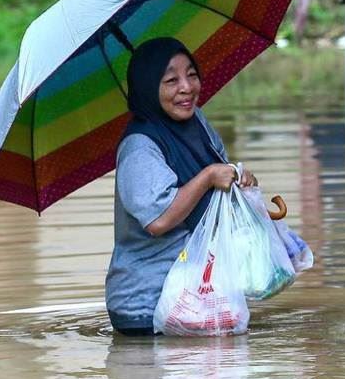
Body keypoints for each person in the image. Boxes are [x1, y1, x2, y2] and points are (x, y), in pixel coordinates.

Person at [106, 37, 257, 335]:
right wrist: (208, 177)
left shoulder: (196, 122)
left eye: (191, 74)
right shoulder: (139, 147)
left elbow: (219, 182)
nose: (187, 87)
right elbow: (158, 220)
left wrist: (238, 180)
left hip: (196, 293)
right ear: (149, 88)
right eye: (171, 80)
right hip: (145, 306)